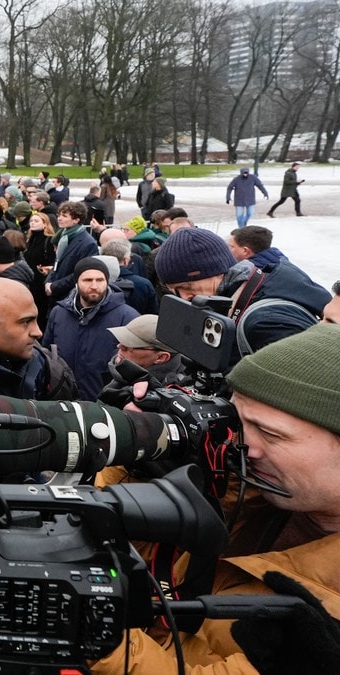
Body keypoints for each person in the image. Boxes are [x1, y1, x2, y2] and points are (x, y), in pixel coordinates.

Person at [91, 324, 340, 675]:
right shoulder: (245, 490)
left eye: (270, 433)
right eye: (240, 421)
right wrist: (137, 463)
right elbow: (140, 566)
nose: (244, 446)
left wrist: (93, 635)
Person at [155, 227, 329, 363]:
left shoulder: (267, 321)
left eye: (187, 286)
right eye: (175, 291)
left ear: (216, 270)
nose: (184, 297)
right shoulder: (233, 297)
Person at [43, 257, 140, 401]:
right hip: (62, 403)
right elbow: (47, 353)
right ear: (76, 282)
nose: (94, 285)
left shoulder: (127, 317)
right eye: (87, 280)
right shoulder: (59, 313)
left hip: (105, 404)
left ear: (107, 282)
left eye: (100, 280)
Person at [96, 314, 186, 409]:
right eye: (123, 339)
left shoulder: (176, 396)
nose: (120, 346)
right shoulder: (121, 374)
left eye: (130, 344)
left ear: (161, 357)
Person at [45, 201, 99, 303]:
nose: (59, 218)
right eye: (59, 215)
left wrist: (54, 286)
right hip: (55, 293)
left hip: (69, 296)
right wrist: (48, 282)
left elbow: (81, 273)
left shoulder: (87, 243)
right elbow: (58, 263)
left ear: (76, 220)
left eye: (64, 216)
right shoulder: (63, 236)